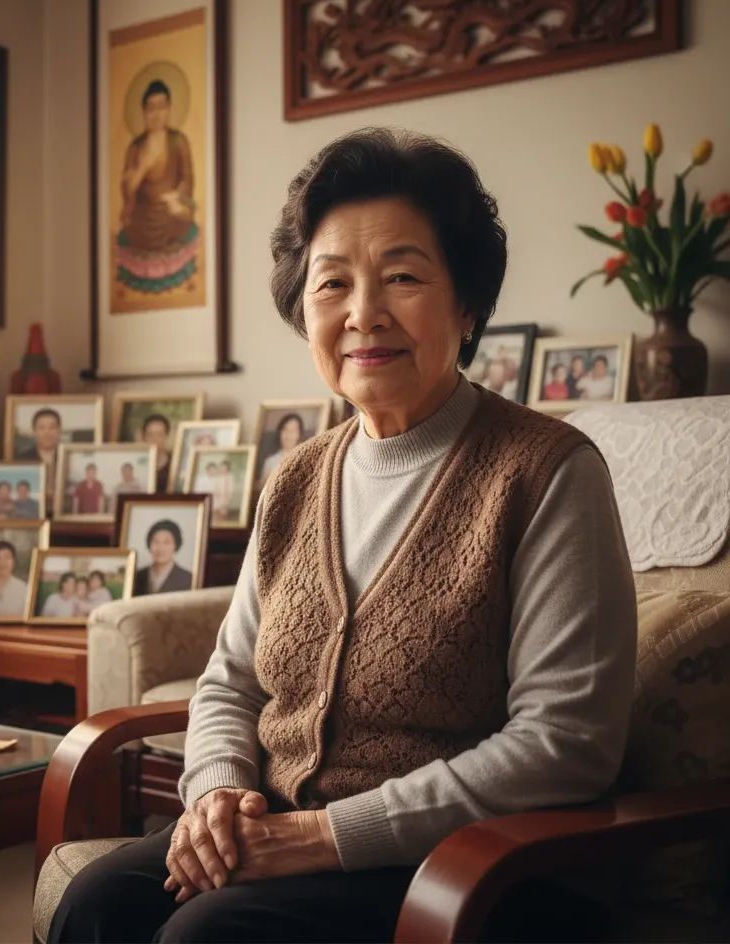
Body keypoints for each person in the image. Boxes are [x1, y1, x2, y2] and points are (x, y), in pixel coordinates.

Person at [49, 128, 636, 944]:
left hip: (475, 864)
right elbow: (229, 684)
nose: (365, 314)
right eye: (332, 284)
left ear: (467, 305)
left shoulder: (546, 472)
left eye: (402, 276)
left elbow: (566, 743)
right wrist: (216, 795)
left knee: (206, 936)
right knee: (99, 904)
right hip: (281, 827)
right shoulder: (294, 478)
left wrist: (326, 837)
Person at [116, 79, 199, 296]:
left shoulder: (178, 141)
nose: (156, 114)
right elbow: (127, 189)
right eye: (151, 108)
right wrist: (143, 165)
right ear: (143, 112)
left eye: (161, 107)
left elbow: (187, 179)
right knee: (129, 232)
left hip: (170, 212)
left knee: (181, 217)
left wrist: (177, 197)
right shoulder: (136, 147)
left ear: (169, 109)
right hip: (143, 217)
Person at [132, 519, 194, 596]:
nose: (160, 548)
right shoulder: (137, 576)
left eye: (167, 542)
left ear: (176, 546)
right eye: (156, 542)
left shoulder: (187, 578)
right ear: (149, 544)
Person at [256, 412, 305, 490]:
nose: (288, 435)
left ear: (299, 434)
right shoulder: (270, 461)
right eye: (285, 430)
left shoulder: (305, 458)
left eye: (293, 431)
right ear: (280, 433)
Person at [140, 414, 172, 491]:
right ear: (144, 437)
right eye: (150, 435)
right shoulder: (139, 463)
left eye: (159, 435)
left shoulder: (175, 462)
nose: (155, 439)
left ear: (166, 436)